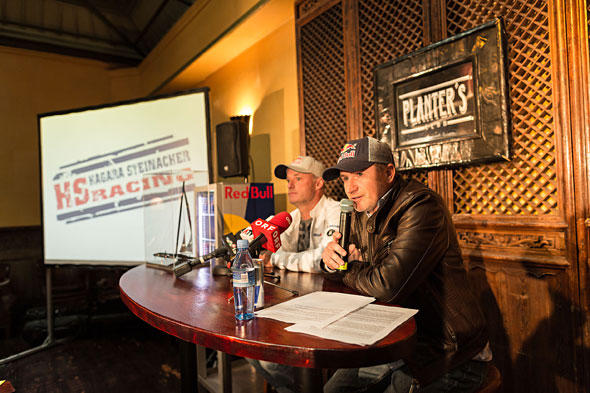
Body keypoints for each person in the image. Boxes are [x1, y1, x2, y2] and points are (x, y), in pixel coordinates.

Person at [320, 136, 491, 393]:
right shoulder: (358, 212)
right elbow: (342, 266)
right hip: (394, 339)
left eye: (359, 174)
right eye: (345, 178)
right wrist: (331, 262)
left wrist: (347, 269)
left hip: (449, 351)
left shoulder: (420, 205)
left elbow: (388, 286)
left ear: (388, 172)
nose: (350, 187)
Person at [260, 155, 340, 273]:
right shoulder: (290, 218)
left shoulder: (336, 211)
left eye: (298, 179)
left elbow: (325, 260)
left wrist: (276, 259)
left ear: (318, 184)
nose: (289, 185)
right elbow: (275, 250)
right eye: (288, 180)